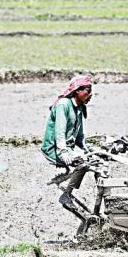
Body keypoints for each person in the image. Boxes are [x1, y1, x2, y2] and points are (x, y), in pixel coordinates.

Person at [41, 74, 93, 217]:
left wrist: (91, 149)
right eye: (88, 91)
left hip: (67, 147)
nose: (91, 95)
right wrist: (64, 153)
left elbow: (80, 138)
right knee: (83, 163)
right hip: (54, 148)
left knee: (94, 160)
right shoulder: (63, 104)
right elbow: (60, 133)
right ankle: (66, 195)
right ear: (77, 91)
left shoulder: (79, 108)